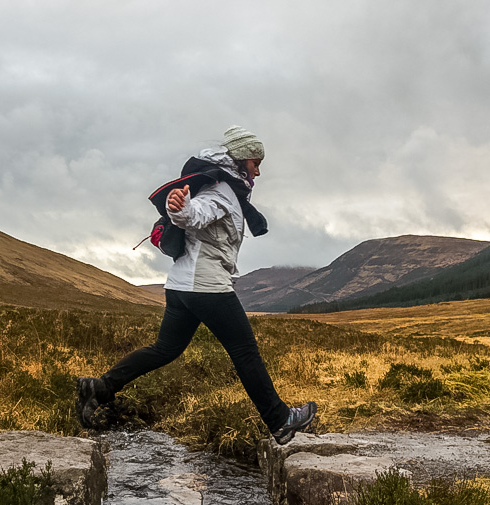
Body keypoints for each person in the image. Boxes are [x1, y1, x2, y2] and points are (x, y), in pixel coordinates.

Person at [76, 126, 317, 445]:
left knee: (164, 349)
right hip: (206, 287)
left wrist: (184, 210)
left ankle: (100, 387)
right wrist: (181, 210)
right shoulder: (220, 190)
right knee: (245, 352)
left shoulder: (222, 186)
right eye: (255, 162)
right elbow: (197, 215)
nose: (258, 170)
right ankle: (280, 420)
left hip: (180, 287)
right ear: (239, 159)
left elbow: (198, 215)